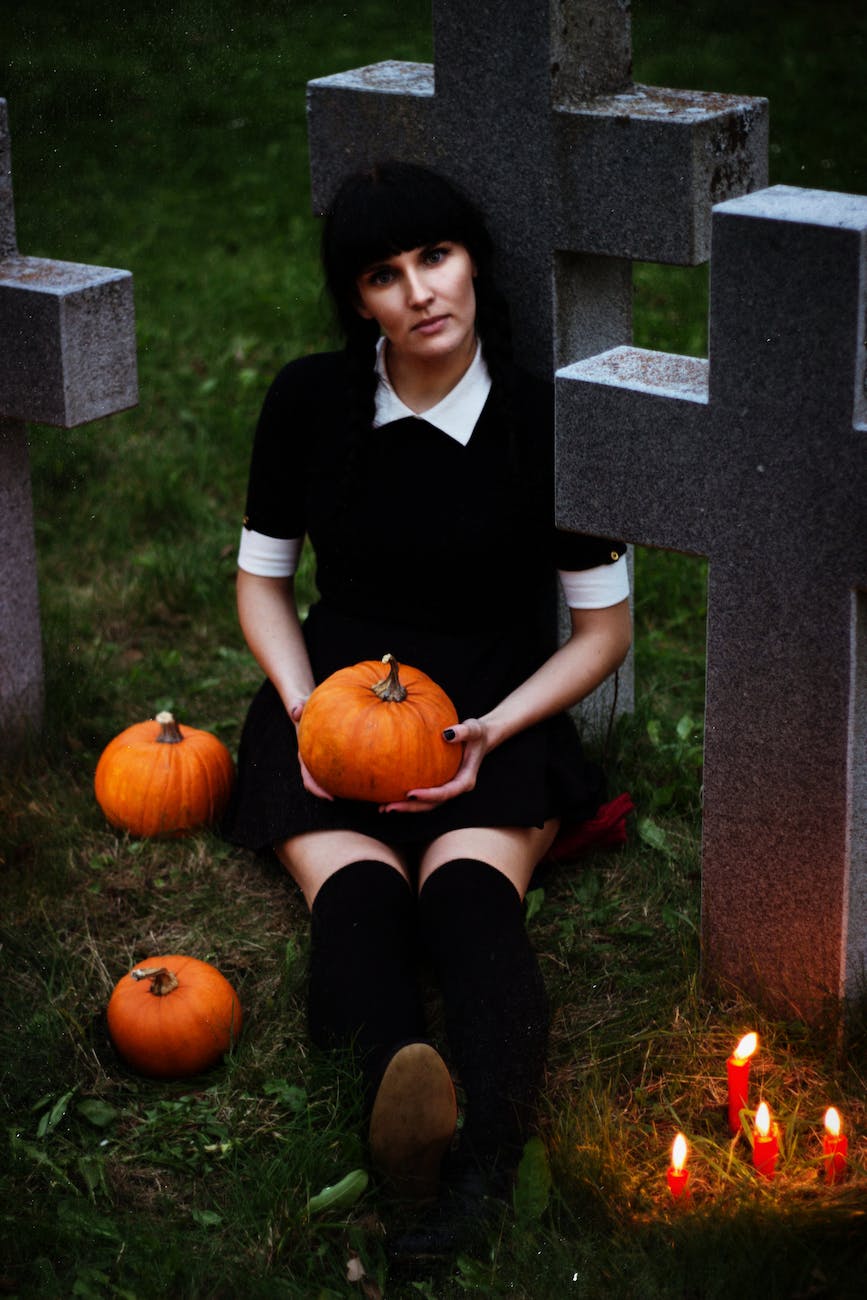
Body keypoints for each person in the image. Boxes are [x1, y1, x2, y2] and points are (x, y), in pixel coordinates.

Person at [223, 160, 631, 1255]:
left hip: (496, 700)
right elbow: (263, 581)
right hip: (336, 694)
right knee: (357, 900)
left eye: (435, 258)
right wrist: (308, 709)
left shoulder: (547, 418)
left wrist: (499, 726)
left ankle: (485, 1166)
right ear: (357, 300)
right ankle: (400, 1130)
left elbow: (604, 632)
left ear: (474, 263)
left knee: (466, 901)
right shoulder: (310, 401)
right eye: (383, 275)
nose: (419, 292)